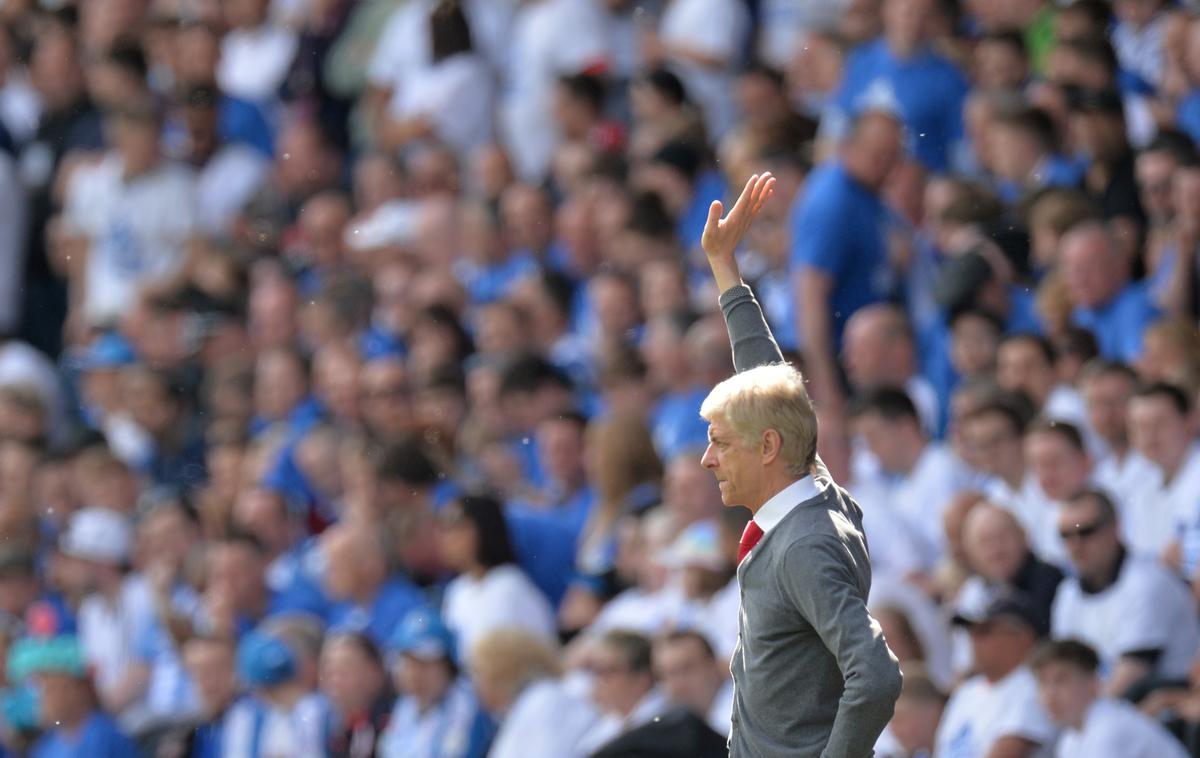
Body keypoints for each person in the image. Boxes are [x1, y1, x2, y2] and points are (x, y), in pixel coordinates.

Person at [700, 171, 902, 755]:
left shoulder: (804, 545)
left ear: (767, 448)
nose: (708, 459)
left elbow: (877, 675)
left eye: (721, 442)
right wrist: (724, 269)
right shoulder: (811, 481)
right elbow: (761, 372)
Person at [1051, 490, 1200, 697]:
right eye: (1066, 535)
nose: (1076, 545)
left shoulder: (1148, 583)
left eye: (1086, 531)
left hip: (1165, 715)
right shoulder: (1067, 593)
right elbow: (1064, 671)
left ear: (1115, 527)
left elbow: (1128, 680)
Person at [937, 593, 1059, 757]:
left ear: (1024, 638)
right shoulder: (967, 691)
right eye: (971, 631)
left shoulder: (1035, 687)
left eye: (985, 631)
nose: (974, 640)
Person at [438, 494, 556, 660]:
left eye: (455, 526)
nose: (446, 537)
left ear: (483, 528)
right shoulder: (456, 591)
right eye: (443, 527)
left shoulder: (510, 586)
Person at [1032, 639, 1190, 758]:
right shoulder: (1070, 738)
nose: (1049, 693)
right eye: (1043, 683)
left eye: (1061, 680)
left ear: (1093, 684)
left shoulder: (1109, 728)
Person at [378, 609, 494, 758]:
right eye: (409, 664)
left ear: (449, 667)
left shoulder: (466, 705)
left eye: (425, 664)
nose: (415, 674)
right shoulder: (405, 706)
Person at [471, 628, 598, 758]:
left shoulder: (546, 701)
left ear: (501, 671)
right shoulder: (524, 707)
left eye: (478, 672)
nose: (475, 684)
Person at [652, 630, 733, 737]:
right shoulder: (662, 725)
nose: (678, 684)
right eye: (667, 675)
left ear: (714, 666)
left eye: (687, 669)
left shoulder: (749, 720)